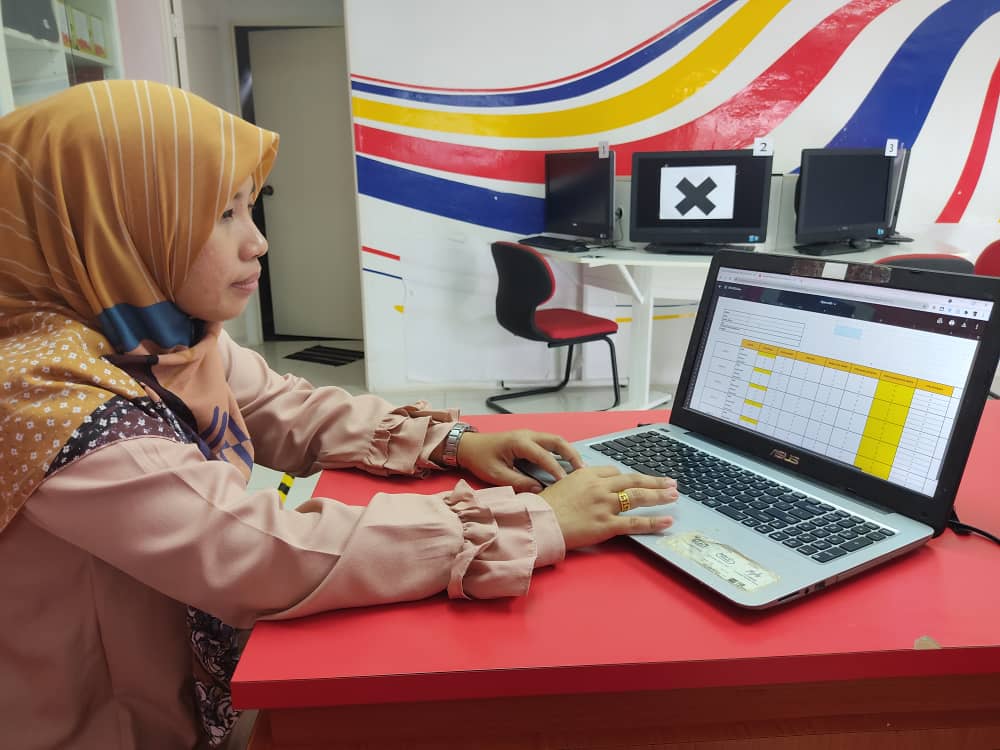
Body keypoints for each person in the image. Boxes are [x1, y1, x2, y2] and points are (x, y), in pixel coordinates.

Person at [0, 80, 678, 750]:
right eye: (222, 215)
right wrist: (534, 520)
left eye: (248, 208)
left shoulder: (156, 333)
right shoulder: (48, 395)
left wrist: (452, 442)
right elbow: (252, 553)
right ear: (112, 226)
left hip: (189, 692)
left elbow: (284, 406)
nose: (256, 243)